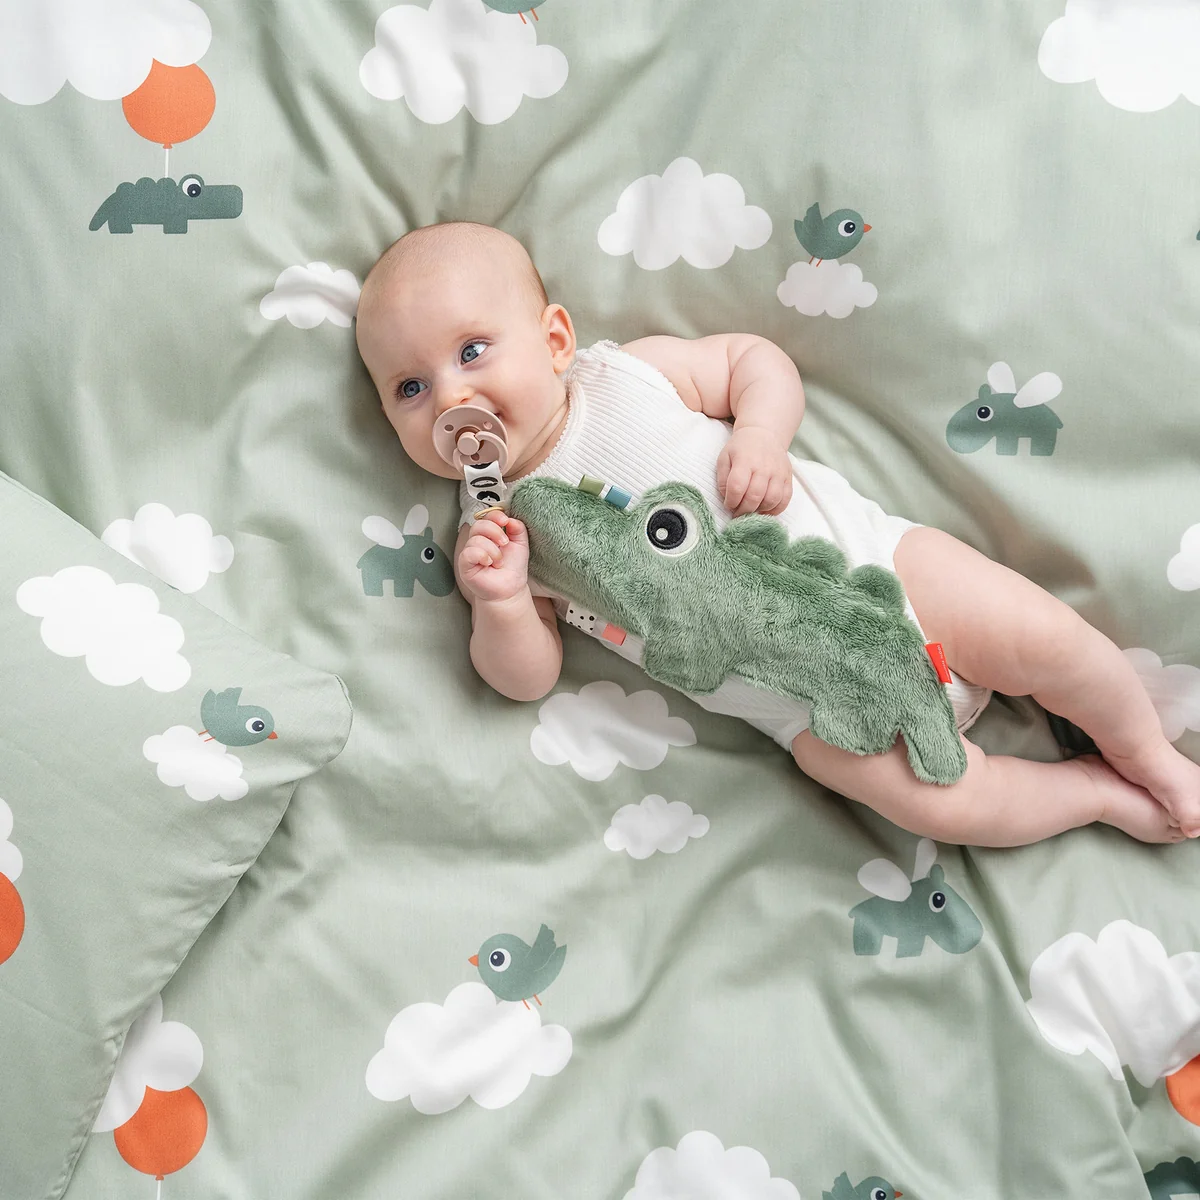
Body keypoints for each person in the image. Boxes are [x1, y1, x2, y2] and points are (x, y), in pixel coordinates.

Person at [355, 220, 1200, 848]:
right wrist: (502, 604)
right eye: (409, 389)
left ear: (554, 340)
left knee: (1047, 638)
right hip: (812, 717)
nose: (450, 398)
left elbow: (752, 362)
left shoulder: (626, 374)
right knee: (949, 807)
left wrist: (760, 436)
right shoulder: (494, 533)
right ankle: (1095, 796)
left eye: (472, 351)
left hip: (882, 569)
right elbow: (526, 678)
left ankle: (1146, 753)